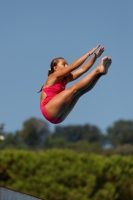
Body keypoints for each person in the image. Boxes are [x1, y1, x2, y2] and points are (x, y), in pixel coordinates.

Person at [39, 44, 112, 124]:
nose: (67, 66)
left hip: (59, 117)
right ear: (55, 68)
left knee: (79, 92)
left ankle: (99, 73)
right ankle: (98, 69)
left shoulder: (65, 78)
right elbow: (73, 66)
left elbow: (83, 69)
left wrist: (95, 57)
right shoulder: (53, 77)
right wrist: (88, 54)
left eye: (67, 64)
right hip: (48, 110)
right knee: (74, 89)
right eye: (64, 64)